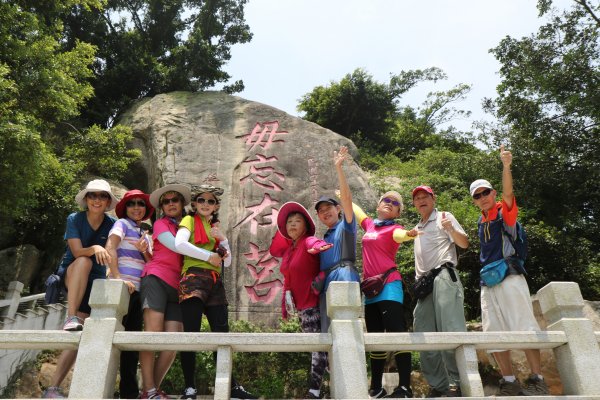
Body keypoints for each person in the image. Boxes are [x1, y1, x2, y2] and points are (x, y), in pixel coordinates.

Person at [470, 145, 548, 396]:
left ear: (493, 193)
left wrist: (506, 166)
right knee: (493, 331)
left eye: (485, 192)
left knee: (524, 325)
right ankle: (509, 381)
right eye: (477, 195)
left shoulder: (505, 214)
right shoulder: (481, 222)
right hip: (488, 281)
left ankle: (537, 379)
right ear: (474, 201)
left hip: (510, 275)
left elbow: (509, 194)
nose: (482, 197)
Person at [174, 184, 257, 400]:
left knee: (222, 333)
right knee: (190, 334)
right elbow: (179, 243)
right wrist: (207, 256)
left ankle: (232, 386)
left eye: (210, 201)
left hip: (214, 282)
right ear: (194, 204)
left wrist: (224, 239)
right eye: (201, 200)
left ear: (216, 206)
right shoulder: (189, 221)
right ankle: (190, 387)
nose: (205, 204)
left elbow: (227, 262)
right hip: (193, 278)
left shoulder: (215, 227)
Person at [42, 179, 118, 398]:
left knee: (78, 337)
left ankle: (53, 389)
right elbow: (77, 252)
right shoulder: (74, 219)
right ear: (86, 199)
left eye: (102, 196)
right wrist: (95, 247)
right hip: (72, 274)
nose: (97, 200)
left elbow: (113, 252)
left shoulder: (112, 224)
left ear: (107, 201)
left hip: (94, 283)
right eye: (92, 195)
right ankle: (70, 315)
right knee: (84, 262)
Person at [352, 191, 419, 399]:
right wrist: (342, 192)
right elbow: (357, 211)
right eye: (386, 200)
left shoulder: (395, 228)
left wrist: (409, 234)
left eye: (395, 203)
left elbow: (400, 236)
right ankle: (377, 388)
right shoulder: (370, 225)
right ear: (379, 204)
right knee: (376, 339)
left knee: (396, 333)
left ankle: (405, 388)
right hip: (371, 289)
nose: (390, 203)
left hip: (389, 285)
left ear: (398, 212)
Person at [269, 201, 333, 399]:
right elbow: (288, 280)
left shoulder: (307, 241)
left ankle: (314, 392)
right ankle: (334, 384)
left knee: (317, 349)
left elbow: (315, 244)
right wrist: (284, 306)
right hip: (300, 307)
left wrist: (320, 246)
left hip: (312, 304)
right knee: (318, 350)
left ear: (305, 225)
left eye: (297, 221)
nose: (293, 224)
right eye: (289, 222)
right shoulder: (289, 250)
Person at [411, 185, 469, 398]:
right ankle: (438, 384)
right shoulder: (416, 227)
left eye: (425, 196)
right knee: (423, 332)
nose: (421, 200)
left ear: (433, 199)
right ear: (414, 204)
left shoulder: (444, 217)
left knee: (450, 327)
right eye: (417, 198)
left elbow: (464, 243)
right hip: (423, 283)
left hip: (444, 274)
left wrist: (451, 229)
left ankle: (457, 382)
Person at [139, 183, 191, 399]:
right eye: (166, 201)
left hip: (179, 287)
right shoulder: (161, 224)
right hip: (157, 279)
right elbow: (176, 246)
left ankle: (152, 390)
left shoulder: (190, 226)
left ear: (181, 203)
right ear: (162, 206)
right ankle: (149, 390)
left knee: (173, 341)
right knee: (152, 334)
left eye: (174, 200)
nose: (170, 204)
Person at [105, 189, 155, 399]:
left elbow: (152, 265)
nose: (136, 207)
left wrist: (144, 249)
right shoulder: (122, 224)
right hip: (122, 288)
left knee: (131, 343)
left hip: (139, 290)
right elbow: (110, 246)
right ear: (125, 208)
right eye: (132, 203)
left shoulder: (144, 234)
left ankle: (129, 393)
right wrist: (117, 277)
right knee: (110, 340)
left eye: (140, 204)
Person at [314, 146, 360, 334]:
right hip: (327, 283)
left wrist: (339, 169)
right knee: (329, 332)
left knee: (346, 328)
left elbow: (347, 199)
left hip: (344, 275)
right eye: (321, 210)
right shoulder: (323, 238)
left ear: (338, 209)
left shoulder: (346, 226)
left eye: (329, 208)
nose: (325, 212)